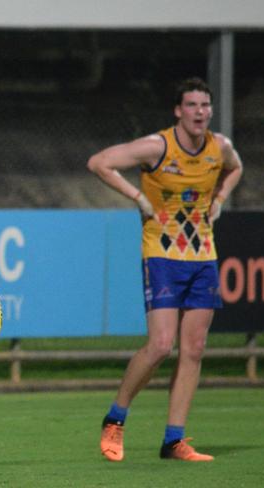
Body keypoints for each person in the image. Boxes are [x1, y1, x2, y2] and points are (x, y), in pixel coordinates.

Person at [87, 77, 243, 462]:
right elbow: (99, 163)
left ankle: (174, 440)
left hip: (203, 256)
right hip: (162, 254)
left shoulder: (219, 147)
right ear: (178, 111)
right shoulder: (158, 146)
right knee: (160, 346)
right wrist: (138, 196)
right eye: (192, 105)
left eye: (205, 105)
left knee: (194, 348)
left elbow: (235, 167)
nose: (200, 112)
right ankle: (115, 418)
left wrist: (221, 196)